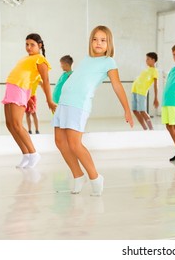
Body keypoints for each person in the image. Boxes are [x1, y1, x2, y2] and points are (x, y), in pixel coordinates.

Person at [53, 25, 134, 196]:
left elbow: (117, 85)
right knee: (60, 141)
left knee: (75, 144)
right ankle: (78, 176)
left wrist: (127, 109)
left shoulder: (109, 62)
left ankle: (95, 177)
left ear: (109, 43)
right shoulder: (86, 59)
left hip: (79, 104)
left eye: (103, 40)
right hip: (64, 102)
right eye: (95, 39)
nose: (98, 43)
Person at [2, 33, 57, 169]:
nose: (28, 47)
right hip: (11, 88)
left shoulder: (40, 59)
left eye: (32, 44)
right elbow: (33, 81)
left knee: (17, 124)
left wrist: (49, 100)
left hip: (20, 90)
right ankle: (26, 155)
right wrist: (29, 98)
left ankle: (33, 153)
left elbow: (45, 81)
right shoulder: (24, 59)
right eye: (27, 44)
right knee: (10, 124)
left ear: (39, 46)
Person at [131, 52, 159, 130]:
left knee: (142, 111)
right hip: (134, 90)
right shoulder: (146, 69)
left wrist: (156, 98)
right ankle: (145, 128)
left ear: (153, 60)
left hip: (141, 92)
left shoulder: (155, 71)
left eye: (148, 59)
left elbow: (155, 85)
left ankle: (151, 129)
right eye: (146, 59)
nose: (146, 61)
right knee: (135, 110)